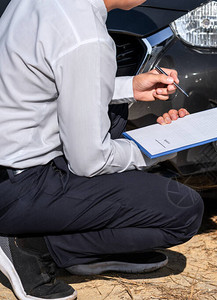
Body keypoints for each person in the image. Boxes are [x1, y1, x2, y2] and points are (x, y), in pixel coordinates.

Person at [0, 0, 204, 299]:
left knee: (117, 115)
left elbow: (51, 77)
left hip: (10, 165)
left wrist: (127, 88)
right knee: (182, 210)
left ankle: (74, 241)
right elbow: (90, 163)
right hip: (17, 187)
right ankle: (29, 246)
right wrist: (161, 146)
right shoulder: (87, 36)